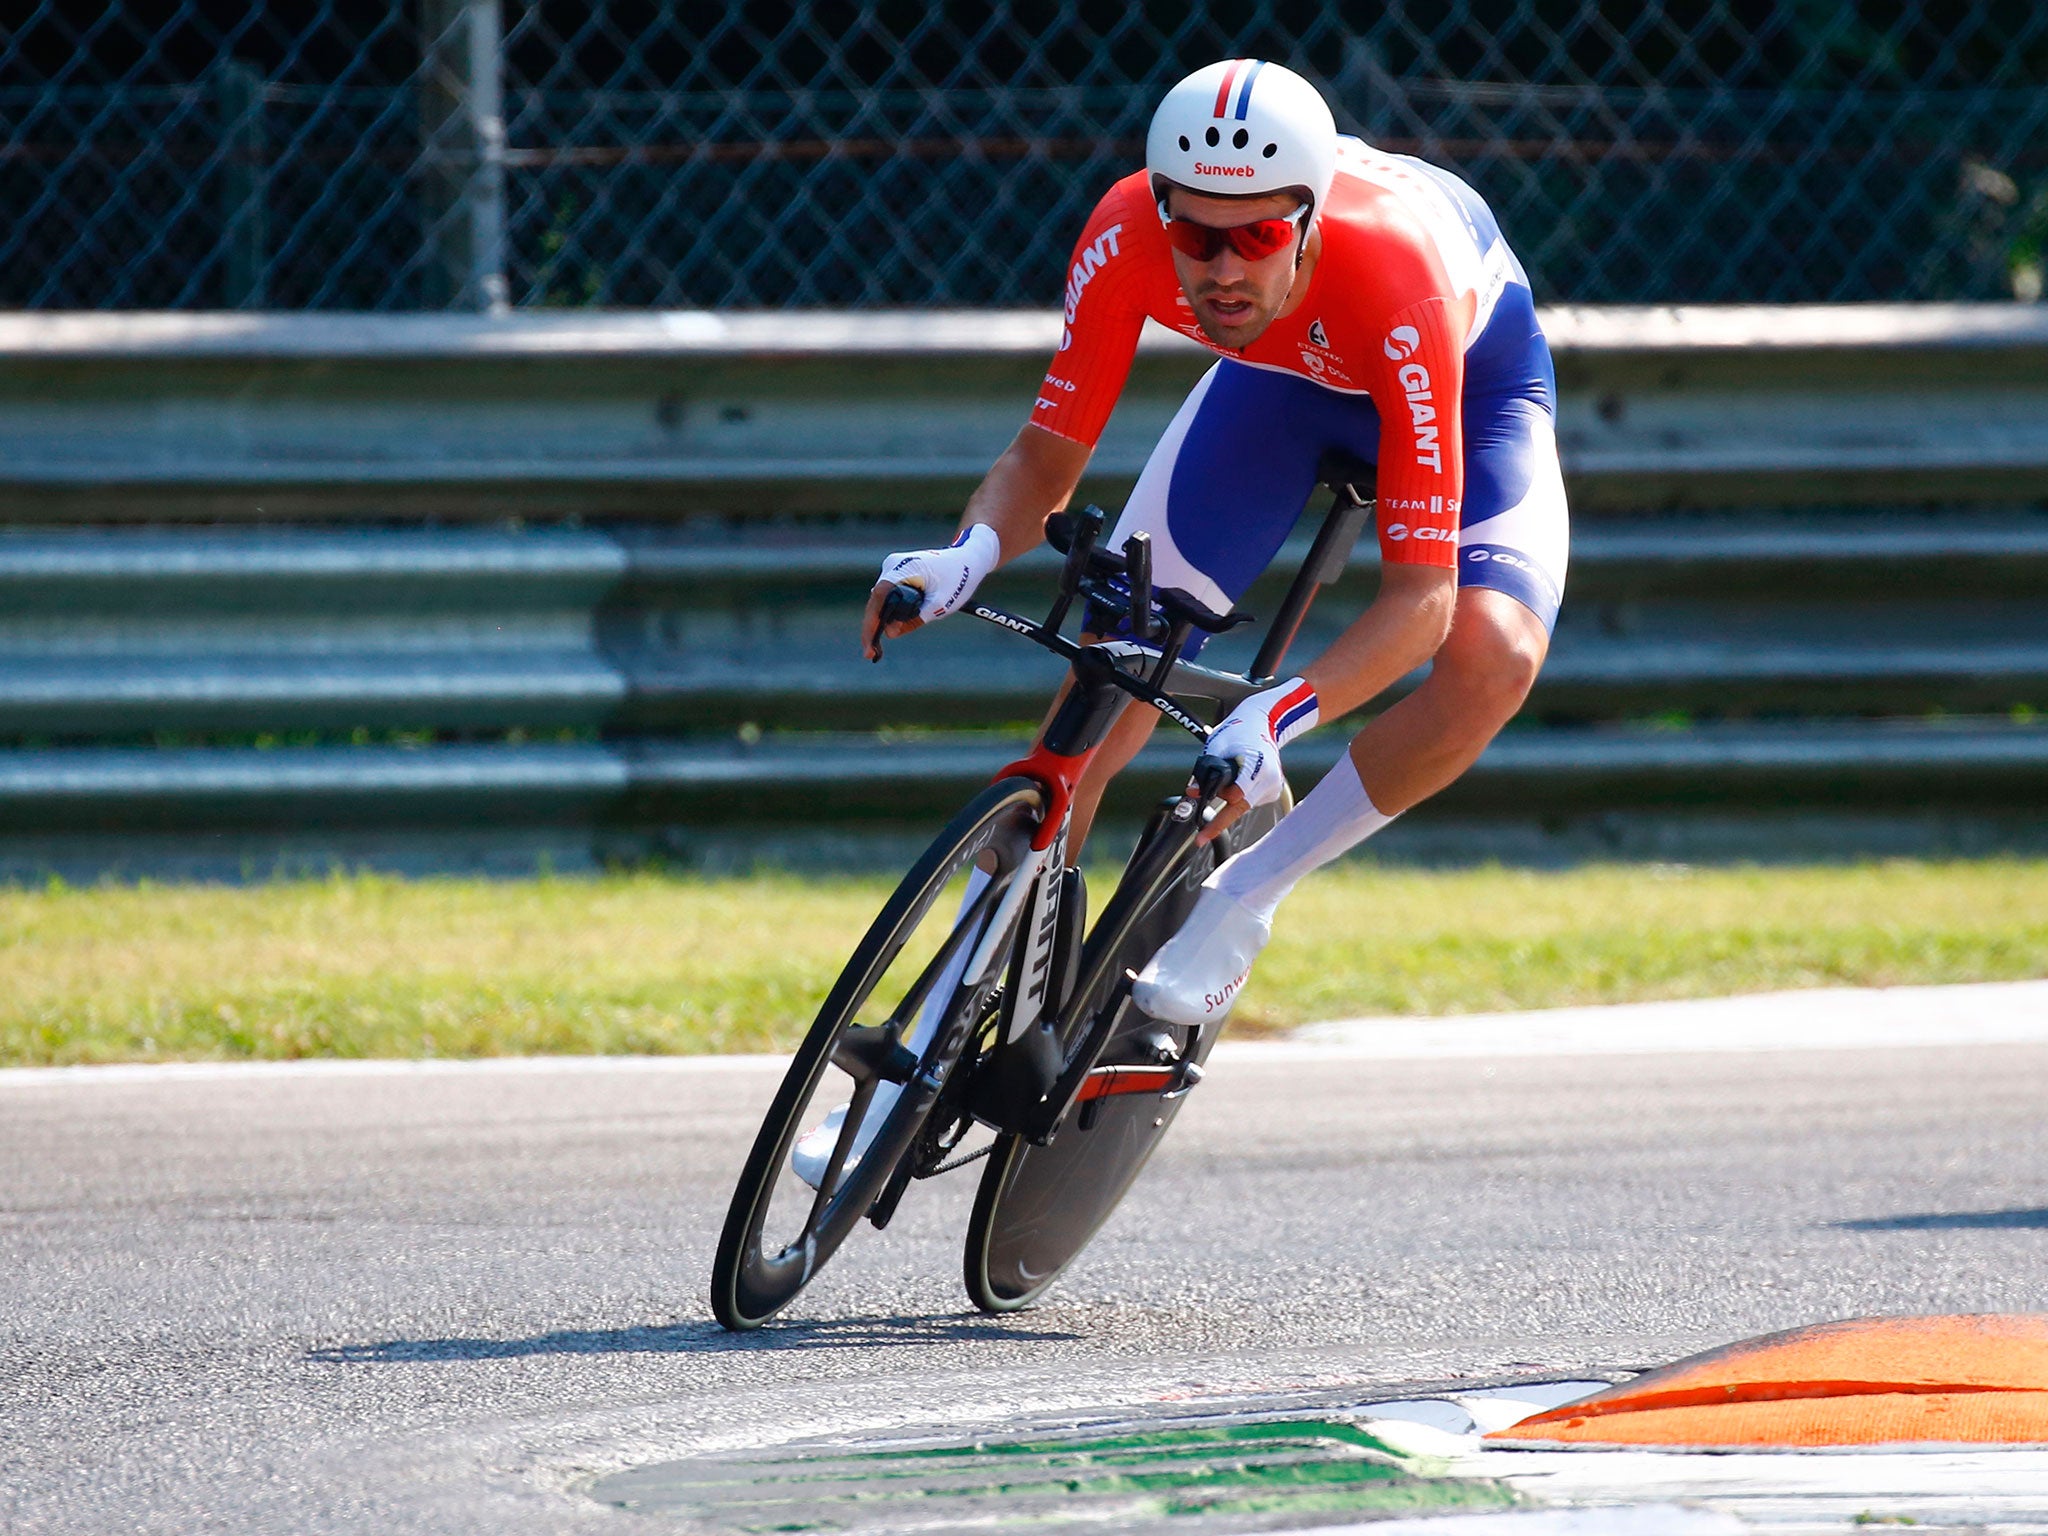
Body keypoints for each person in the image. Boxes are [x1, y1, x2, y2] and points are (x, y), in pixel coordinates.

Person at [861, 57, 1569, 1034]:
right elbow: (1041, 458)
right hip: (1274, 386)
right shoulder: (1121, 235)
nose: (1222, 269)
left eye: (1259, 235)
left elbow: (1419, 604)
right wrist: (966, 555)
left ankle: (1246, 896)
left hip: (1463, 391)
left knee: (1493, 658)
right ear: (1158, 212)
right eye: (1192, 234)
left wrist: (1280, 712)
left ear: (1310, 221)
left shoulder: (1399, 279)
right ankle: (954, 996)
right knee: (1116, 656)